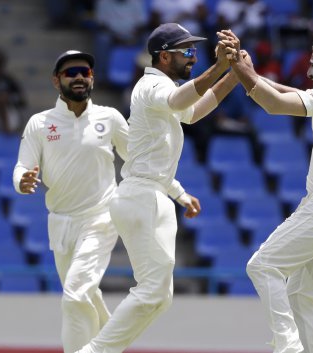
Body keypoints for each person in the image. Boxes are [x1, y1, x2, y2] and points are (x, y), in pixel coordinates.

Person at [74, 23, 240, 353]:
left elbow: (194, 111)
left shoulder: (162, 92)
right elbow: (182, 100)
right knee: (152, 291)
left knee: (160, 297)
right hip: (141, 197)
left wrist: (236, 74)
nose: (193, 57)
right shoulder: (151, 86)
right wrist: (220, 66)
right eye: (187, 52)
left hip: (152, 194)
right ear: (164, 57)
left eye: (195, 51)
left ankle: (101, 350)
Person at [219, 31, 313, 353]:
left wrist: (241, 70)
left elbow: (275, 105)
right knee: (303, 296)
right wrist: (252, 75)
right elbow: (291, 94)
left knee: (262, 266)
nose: (308, 71)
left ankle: (288, 348)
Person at [12, 50, 129, 353]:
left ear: (92, 78)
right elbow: (22, 167)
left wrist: (176, 191)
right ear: (56, 80)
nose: (79, 76)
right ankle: (115, 347)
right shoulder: (40, 123)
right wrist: (23, 182)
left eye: (85, 72)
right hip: (61, 224)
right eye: (71, 72)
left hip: (101, 219)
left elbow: (140, 162)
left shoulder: (110, 118)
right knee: (86, 297)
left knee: (75, 295)